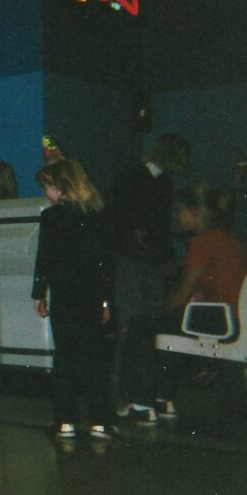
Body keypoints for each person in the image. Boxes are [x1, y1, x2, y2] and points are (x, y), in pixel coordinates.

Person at [124, 184, 247, 424]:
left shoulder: (203, 241)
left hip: (223, 320)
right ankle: (164, 399)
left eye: (179, 211)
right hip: (245, 321)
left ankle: (141, 403)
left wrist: (159, 310)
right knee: (169, 327)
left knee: (142, 324)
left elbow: (182, 292)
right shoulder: (237, 239)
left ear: (197, 213)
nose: (176, 217)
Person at [31, 159, 117, 440]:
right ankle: (100, 421)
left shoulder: (51, 217)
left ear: (59, 187)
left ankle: (65, 421)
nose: (46, 193)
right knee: (94, 358)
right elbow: (105, 263)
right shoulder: (98, 215)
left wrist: (38, 294)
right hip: (92, 294)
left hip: (64, 294)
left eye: (47, 187)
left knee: (65, 356)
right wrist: (106, 301)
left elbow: (44, 260)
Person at [107, 133, 190, 419]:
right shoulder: (135, 177)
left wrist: (165, 257)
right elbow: (116, 216)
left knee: (146, 325)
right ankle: (127, 394)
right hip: (132, 260)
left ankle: (143, 392)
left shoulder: (158, 181)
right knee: (131, 326)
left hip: (147, 260)